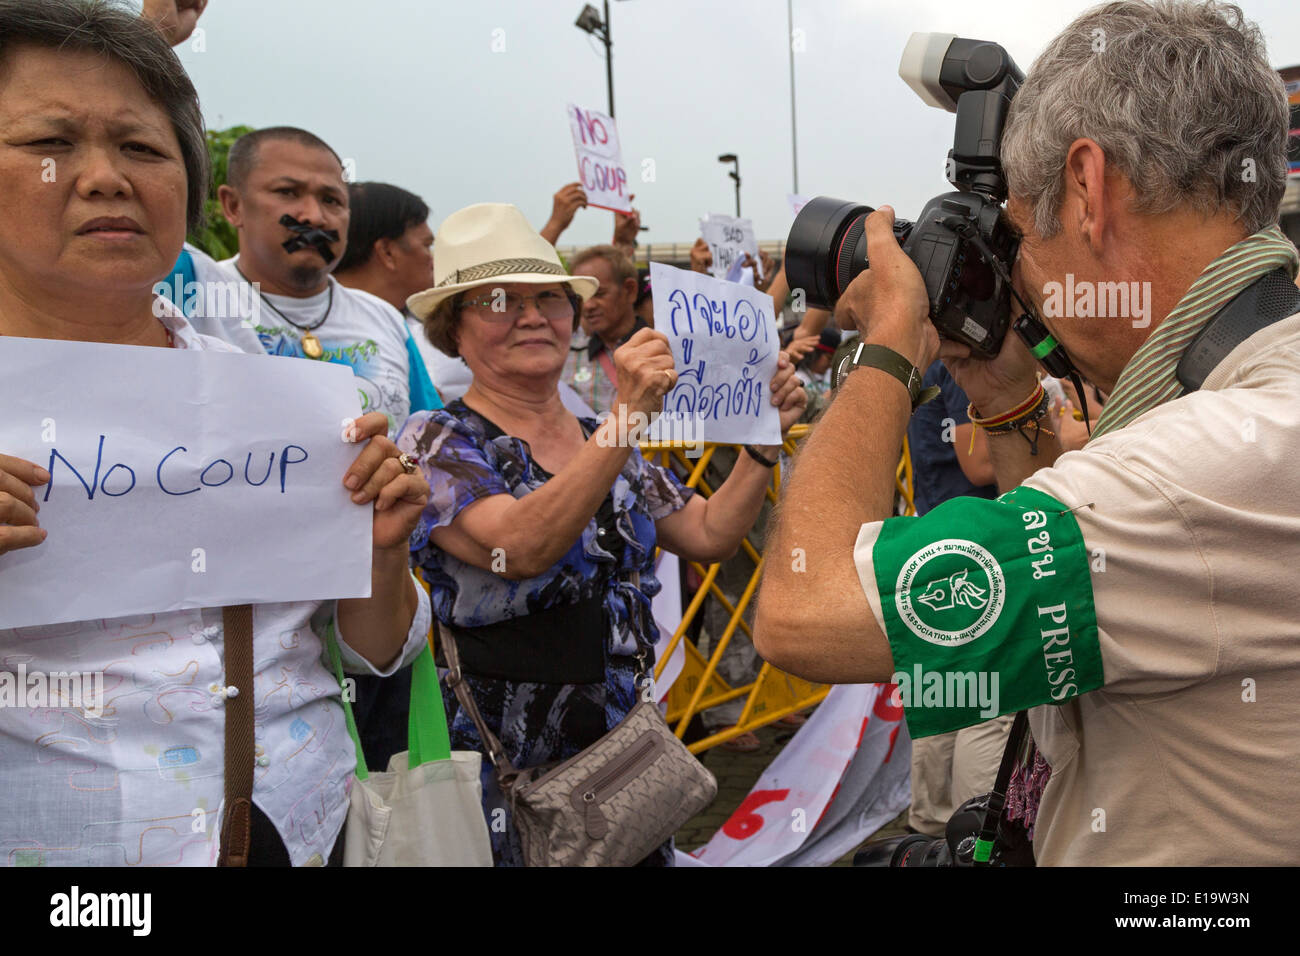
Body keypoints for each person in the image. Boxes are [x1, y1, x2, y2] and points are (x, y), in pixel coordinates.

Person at [757, 0, 1300, 865]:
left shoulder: (1190, 470)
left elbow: (804, 611)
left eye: (1014, 232)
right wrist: (1010, 399)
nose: (1016, 276)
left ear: (1088, 190)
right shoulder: (1254, 395)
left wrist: (889, 346)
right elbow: (1075, 606)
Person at [0, 0, 431, 866]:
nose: (105, 178)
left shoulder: (284, 403)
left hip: (304, 833)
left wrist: (381, 555)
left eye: (142, 148)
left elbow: (373, 651)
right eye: (50, 143)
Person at [399, 202, 806, 865]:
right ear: (454, 329)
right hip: (512, 770)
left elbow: (708, 533)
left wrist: (763, 442)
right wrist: (627, 418)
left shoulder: (599, 435)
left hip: (625, 752)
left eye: (549, 300)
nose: (532, 316)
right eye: (500, 302)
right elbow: (520, 548)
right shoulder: (437, 439)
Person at [178, 127, 416, 435]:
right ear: (233, 206)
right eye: (288, 192)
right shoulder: (189, 292)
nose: (314, 217)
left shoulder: (386, 319)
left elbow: (427, 440)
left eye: (331, 200)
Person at [901, 362, 1011, 837]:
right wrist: (1067, 435)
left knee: (947, 689)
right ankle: (972, 832)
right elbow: (980, 463)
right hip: (975, 539)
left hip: (945, 533)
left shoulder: (935, 357)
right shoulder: (963, 359)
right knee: (991, 700)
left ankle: (934, 823)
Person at [333, 180, 471, 404]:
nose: (432, 259)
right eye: (426, 245)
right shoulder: (311, 327)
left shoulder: (393, 325)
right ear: (387, 252)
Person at [562, 244, 645, 415]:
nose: (588, 306)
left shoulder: (665, 351)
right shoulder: (564, 356)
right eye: (580, 297)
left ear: (630, 290)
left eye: (599, 294)